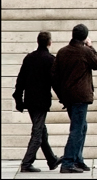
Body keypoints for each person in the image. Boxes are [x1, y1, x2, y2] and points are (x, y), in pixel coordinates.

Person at [52, 24, 97, 173]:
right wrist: (91, 46)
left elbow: (54, 76)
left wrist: (61, 94)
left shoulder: (62, 52)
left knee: (82, 127)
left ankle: (78, 159)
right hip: (80, 97)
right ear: (84, 37)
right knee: (77, 129)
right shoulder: (85, 51)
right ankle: (68, 162)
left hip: (68, 97)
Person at [13, 31, 61, 173]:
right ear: (49, 43)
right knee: (37, 133)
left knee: (41, 131)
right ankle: (27, 163)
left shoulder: (29, 58)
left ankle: (52, 160)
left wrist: (18, 98)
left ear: (37, 41)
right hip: (41, 101)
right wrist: (63, 98)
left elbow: (20, 80)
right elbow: (55, 83)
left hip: (30, 100)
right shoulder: (50, 59)